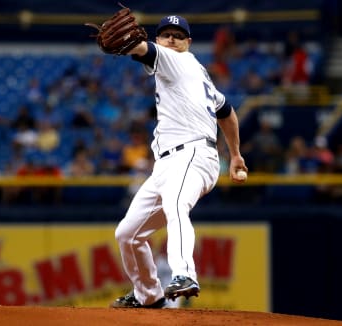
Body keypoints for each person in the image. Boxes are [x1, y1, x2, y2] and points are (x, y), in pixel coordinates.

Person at [103, 15, 247, 308]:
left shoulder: (175, 59)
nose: (171, 39)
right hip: (168, 164)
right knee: (128, 234)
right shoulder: (197, 73)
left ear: (188, 43)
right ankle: (148, 295)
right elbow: (227, 112)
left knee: (176, 206)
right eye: (166, 34)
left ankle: (184, 274)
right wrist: (235, 155)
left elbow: (144, 50)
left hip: (192, 155)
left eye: (178, 35)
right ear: (159, 37)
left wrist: (136, 46)